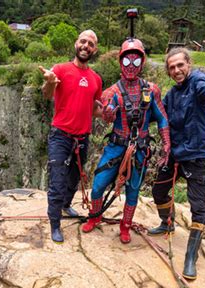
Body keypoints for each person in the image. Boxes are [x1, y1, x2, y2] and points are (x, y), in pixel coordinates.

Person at [149, 47, 205, 279]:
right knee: (158, 191)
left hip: (197, 156)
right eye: (172, 67)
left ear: (189, 64)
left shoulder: (198, 81)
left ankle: (190, 258)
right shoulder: (173, 94)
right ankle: (167, 223)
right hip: (176, 155)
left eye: (180, 65)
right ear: (168, 72)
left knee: (198, 208)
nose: (176, 70)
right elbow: (157, 112)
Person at [81, 38, 171, 244]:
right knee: (98, 185)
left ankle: (125, 226)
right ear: (121, 63)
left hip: (140, 149)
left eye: (136, 62)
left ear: (142, 62)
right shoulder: (112, 92)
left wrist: (167, 143)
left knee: (133, 191)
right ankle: (95, 217)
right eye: (127, 62)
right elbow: (106, 115)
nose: (131, 66)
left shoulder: (151, 91)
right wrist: (109, 114)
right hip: (116, 146)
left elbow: (163, 118)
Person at [39, 30, 103, 243]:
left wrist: (108, 113)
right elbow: (47, 95)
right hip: (61, 135)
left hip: (82, 138)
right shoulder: (60, 70)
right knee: (57, 180)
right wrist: (49, 82)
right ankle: (55, 223)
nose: (86, 46)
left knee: (74, 178)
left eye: (91, 44)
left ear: (95, 50)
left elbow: (93, 106)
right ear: (76, 44)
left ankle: (66, 205)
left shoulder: (96, 79)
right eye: (83, 41)